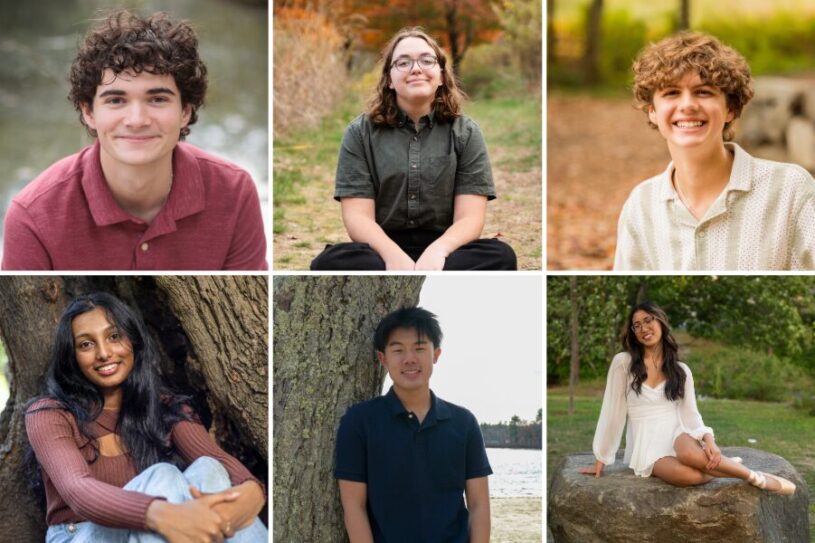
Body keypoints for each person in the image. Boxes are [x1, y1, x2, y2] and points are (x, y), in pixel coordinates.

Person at [3, 10, 267, 271]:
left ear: (185, 111)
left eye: (157, 99)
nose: (137, 119)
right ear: (89, 112)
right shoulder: (33, 217)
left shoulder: (235, 194)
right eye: (116, 100)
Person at [25, 292, 268, 542]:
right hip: (79, 533)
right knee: (162, 475)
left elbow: (225, 466)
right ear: (71, 357)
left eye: (114, 336)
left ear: (133, 341)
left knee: (209, 468)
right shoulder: (50, 413)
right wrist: (161, 513)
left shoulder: (163, 407)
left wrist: (250, 495)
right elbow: (78, 490)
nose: (104, 353)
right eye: (86, 344)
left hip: (165, 526)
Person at [310, 27, 517, 271]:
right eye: (403, 62)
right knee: (329, 262)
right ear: (389, 79)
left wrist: (438, 251)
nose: (416, 68)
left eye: (427, 60)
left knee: (502, 256)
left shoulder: (466, 132)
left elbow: (471, 217)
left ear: (441, 75)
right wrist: (392, 257)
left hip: (447, 248)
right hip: (381, 248)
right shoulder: (360, 133)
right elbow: (357, 216)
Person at [614, 32, 815, 270]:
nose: (687, 105)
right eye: (671, 93)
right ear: (653, 112)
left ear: (730, 108)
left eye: (703, 92)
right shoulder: (641, 205)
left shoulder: (790, 190)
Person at [580, 301, 796, 497]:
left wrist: (709, 440)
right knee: (686, 477)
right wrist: (602, 457)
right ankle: (727, 467)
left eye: (648, 320)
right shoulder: (623, 363)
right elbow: (612, 412)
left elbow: (690, 414)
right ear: (633, 333)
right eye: (637, 325)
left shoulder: (681, 370)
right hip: (646, 442)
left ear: (661, 322)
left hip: (677, 431)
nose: (644, 328)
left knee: (690, 454)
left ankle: (756, 478)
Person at [334, 307, 492, 542]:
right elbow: (353, 507)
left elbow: (479, 504)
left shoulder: (464, 423)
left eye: (419, 348)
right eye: (398, 350)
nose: (409, 359)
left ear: (436, 354)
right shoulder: (359, 422)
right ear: (382, 358)